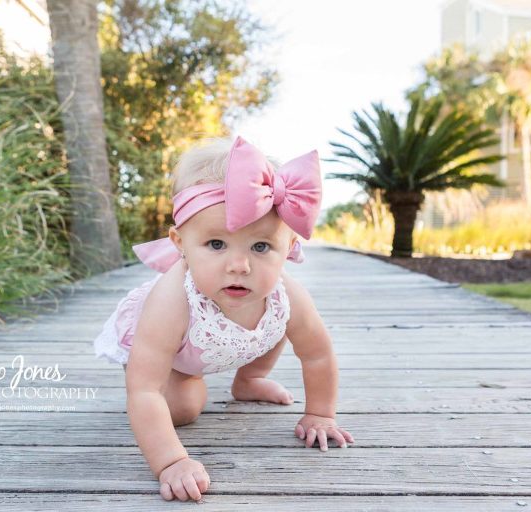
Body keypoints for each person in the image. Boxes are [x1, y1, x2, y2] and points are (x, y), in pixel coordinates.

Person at [94, 136, 354, 502]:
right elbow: (144, 389)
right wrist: (170, 462)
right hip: (176, 357)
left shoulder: (286, 292)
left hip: (239, 340)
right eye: (216, 244)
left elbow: (317, 354)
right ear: (180, 243)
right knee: (184, 407)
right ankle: (189, 382)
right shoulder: (171, 301)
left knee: (280, 317)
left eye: (261, 246)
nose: (239, 266)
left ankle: (249, 379)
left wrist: (321, 415)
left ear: (290, 247)